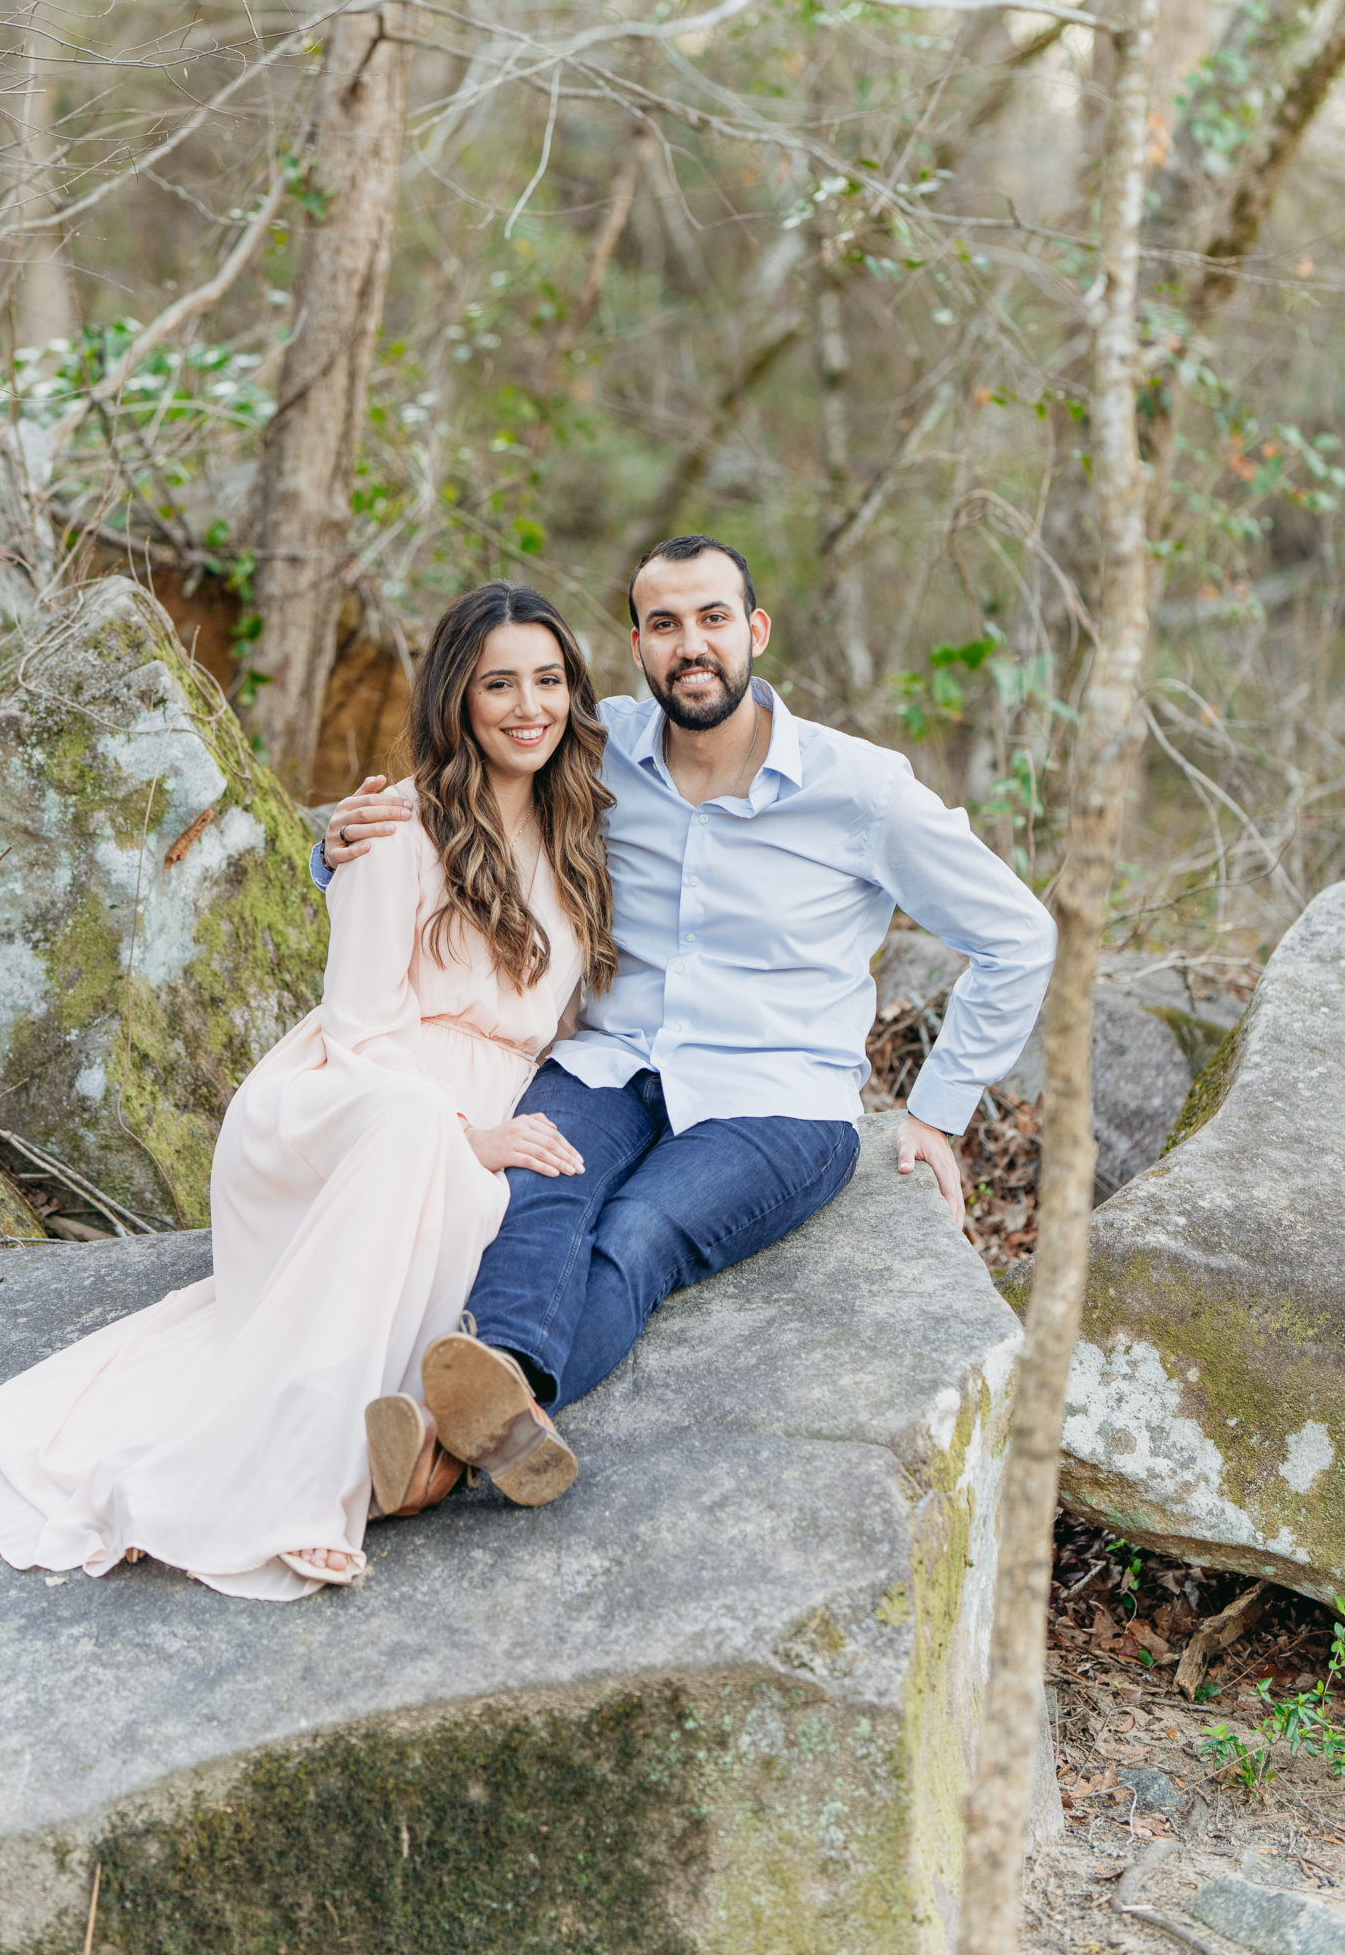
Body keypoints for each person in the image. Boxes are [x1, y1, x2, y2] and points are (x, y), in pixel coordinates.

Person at [318, 533, 1057, 1496]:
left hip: (775, 1101)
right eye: (664, 624)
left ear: (753, 630)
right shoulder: (595, 747)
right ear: (636, 645)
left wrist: (937, 1109)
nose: (690, 645)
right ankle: (474, 1420)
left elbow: (1017, 934)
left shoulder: (861, 791)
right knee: (539, 1193)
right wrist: (339, 852)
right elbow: (464, 800)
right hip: (612, 1063)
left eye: (712, 618)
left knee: (637, 1234)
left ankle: (441, 1455)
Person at [0, 581, 616, 1600]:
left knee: (502, 1218)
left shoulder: (576, 840)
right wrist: (470, 1136)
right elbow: (360, 1031)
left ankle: (410, 1456)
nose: (529, 706)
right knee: (418, 1138)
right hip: (346, 1103)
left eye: (550, 681)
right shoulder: (397, 829)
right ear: (456, 701)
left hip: (475, 1115)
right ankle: (304, 1493)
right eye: (499, 683)